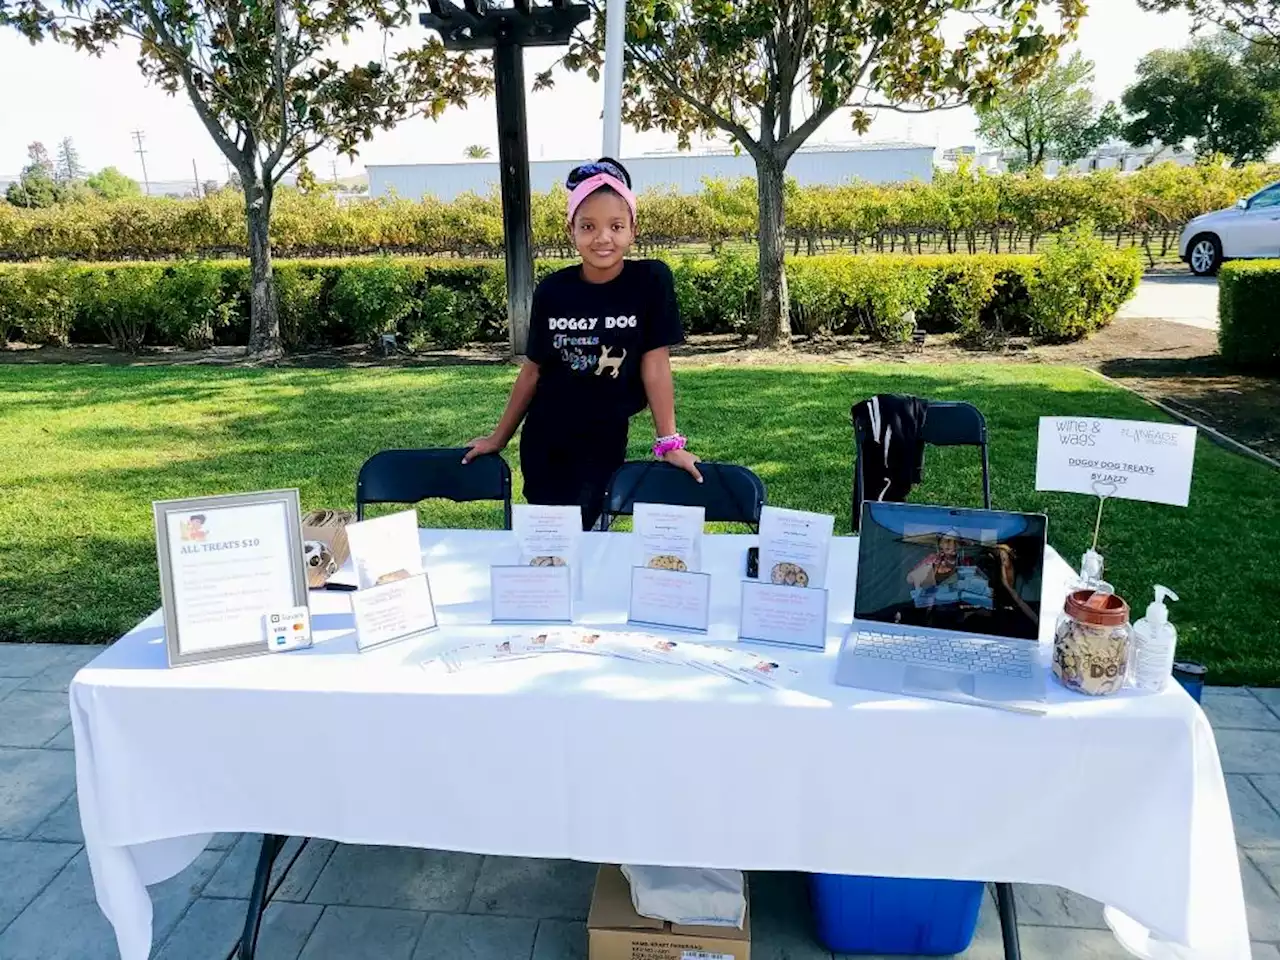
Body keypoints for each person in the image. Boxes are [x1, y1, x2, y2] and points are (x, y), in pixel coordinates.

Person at [463, 157, 702, 530]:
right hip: (545, 439)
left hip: (604, 439)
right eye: (588, 226)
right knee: (551, 543)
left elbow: (655, 364)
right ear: (570, 229)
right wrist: (499, 437)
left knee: (591, 535)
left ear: (632, 230)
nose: (602, 237)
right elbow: (533, 370)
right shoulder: (554, 290)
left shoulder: (650, 281)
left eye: (616, 226)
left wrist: (669, 443)